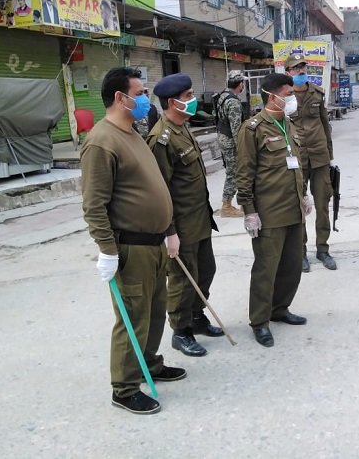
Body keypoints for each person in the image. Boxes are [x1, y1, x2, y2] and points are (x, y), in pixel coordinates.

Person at [80, 67, 186, 415]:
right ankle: (124, 388)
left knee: (155, 312)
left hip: (154, 243)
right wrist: (107, 251)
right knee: (133, 317)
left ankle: (150, 363)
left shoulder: (134, 133)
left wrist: (168, 229)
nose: (144, 99)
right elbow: (95, 204)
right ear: (119, 98)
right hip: (131, 248)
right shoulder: (101, 141)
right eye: (139, 93)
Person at [147, 73, 223, 358]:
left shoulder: (182, 127)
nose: (192, 101)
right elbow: (160, 191)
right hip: (181, 226)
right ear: (172, 102)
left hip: (199, 219)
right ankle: (181, 331)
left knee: (205, 271)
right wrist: (169, 231)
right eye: (188, 96)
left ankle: (196, 316)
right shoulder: (161, 139)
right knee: (181, 279)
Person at [236, 72, 312, 348]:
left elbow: (297, 165)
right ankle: (259, 321)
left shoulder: (289, 124)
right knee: (266, 269)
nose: (292, 98)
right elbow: (244, 173)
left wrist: (305, 195)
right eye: (288, 93)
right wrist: (248, 210)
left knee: (291, 266)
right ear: (272, 96)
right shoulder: (252, 128)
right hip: (268, 213)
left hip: (293, 210)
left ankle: (280, 308)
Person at [284, 53, 336, 272]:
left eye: (303, 67)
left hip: (320, 157)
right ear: (288, 72)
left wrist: (329, 154)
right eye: (295, 68)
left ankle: (323, 249)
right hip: (296, 159)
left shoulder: (318, 93)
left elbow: (325, 125)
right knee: (299, 206)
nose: (300, 71)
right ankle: (301, 252)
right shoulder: (284, 97)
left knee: (323, 204)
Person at [215, 70, 248, 218]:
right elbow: (236, 129)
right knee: (234, 173)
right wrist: (242, 148)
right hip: (230, 141)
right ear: (240, 84)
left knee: (233, 172)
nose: (244, 85)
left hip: (223, 137)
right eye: (243, 83)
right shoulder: (233, 102)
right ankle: (226, 206)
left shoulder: (223, 95)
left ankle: (231, 203)